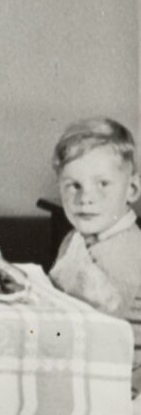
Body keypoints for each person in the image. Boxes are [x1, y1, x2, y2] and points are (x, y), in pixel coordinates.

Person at [48, 118, 141, 402]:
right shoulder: (73, 239)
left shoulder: (130, 255)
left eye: (103, 183)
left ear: (132, 190)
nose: (86, 198)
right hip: (78, 369)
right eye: (73, 185)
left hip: (121, 391)